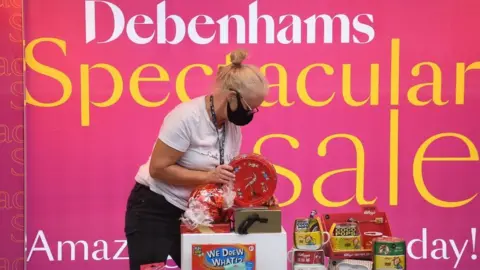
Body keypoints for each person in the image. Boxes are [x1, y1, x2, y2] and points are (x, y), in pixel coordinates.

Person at [124, 49, 270, 270]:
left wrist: (252, 196)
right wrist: (209, 176)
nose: (250, 114)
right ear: (232, 97)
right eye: (250, 108)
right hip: (155, 208)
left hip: (197, 213)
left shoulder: (232, 127)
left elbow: (227, 174)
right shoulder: (186, 117)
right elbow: (158, 169)